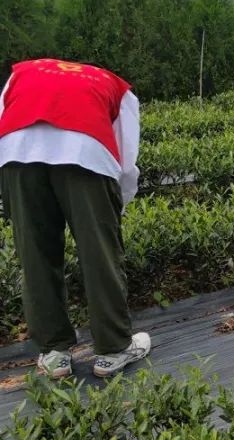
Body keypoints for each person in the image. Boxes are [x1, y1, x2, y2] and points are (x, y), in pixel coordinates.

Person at [0, 58, 151, 379]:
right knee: (100, 253)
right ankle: (113, 349)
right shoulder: (117, 87)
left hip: (15, 152)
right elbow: (125, 158)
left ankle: (55, 353)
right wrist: (115, 207)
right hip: (86, 154)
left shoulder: (21, 73)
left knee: (35, 253)